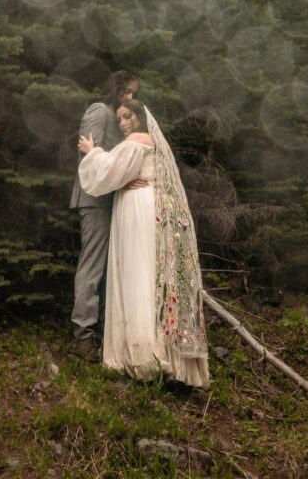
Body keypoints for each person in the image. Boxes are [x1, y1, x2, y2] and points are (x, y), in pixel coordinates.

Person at [77, 99, 209, 388]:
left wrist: (92, 152)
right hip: (142, 206)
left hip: (137, 210)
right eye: (120, 118)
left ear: (139, 117)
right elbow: (128, 174)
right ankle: (155, 350)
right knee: (145, 275)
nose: (123, 122)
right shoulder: (151, 142)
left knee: (136, 276)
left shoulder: (138, 139)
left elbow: (108, 171)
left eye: (128, 116)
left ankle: (144, 354)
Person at [69, 70, 140, 359]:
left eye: (134, 93)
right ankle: (82, 337)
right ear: (117, 90)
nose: (132, 98)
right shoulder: (98, 111)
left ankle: (101, 334)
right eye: (129, 92)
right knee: (92, 265)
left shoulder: (118, 116)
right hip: (94, 199)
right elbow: (89, 159)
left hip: (112, 200)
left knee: (108, 269)